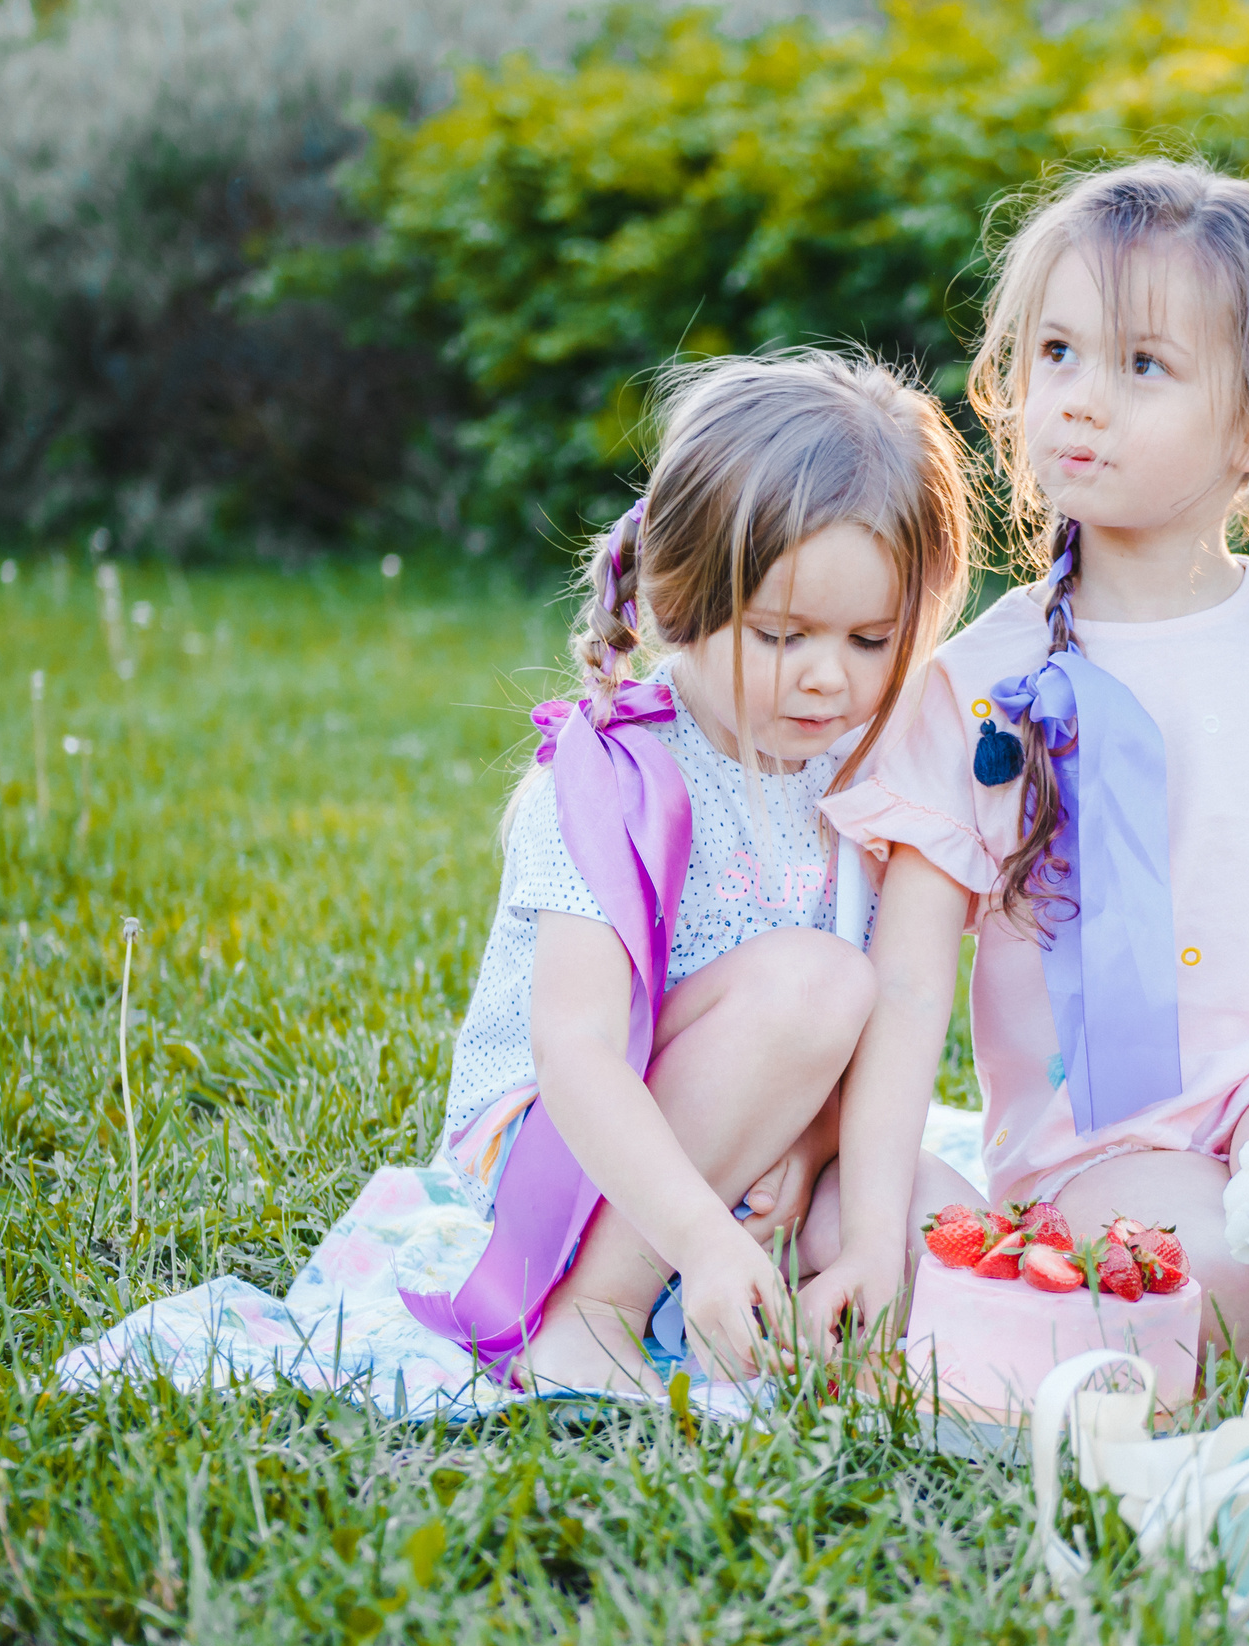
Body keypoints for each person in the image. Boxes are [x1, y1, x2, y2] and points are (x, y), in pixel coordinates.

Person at [807, 159, 1249, 1362]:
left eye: (1141, 366)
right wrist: (868, 1236)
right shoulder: (980, 687)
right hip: (1107, 1143)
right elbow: (907, 988)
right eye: (1055, 352)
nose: (1075, 398)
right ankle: (1010, 1271)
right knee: (1219, 1273)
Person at [406, 351, 973, 1395]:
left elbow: (893, 1016)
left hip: (766, 1129)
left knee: (939, 1232)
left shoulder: (869, 773)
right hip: (567, 1156)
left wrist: (816, 1171)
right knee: (817, 980)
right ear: (682, 601)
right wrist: (705, 1237)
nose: (825, 675)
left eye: (869, 639)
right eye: (781, 634)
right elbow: (576, 1053)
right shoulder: (619, 773)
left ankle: (772, 1296)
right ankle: (600, 1308)